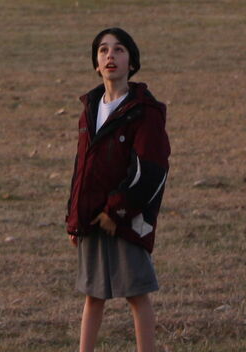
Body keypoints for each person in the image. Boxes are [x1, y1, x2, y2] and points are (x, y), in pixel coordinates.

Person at [65, 27, 169, 352]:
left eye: (119, 50)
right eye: (103, 51)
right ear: (96, 63)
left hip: (124, 217)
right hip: (93, 218)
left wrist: (117, 211)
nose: (111, 56)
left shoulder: (145, 111)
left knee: (137, 294)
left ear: (132, 62)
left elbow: (151, 169)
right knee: (93, 295)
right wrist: (75, 218)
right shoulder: (90, 108)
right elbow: (81, 168)